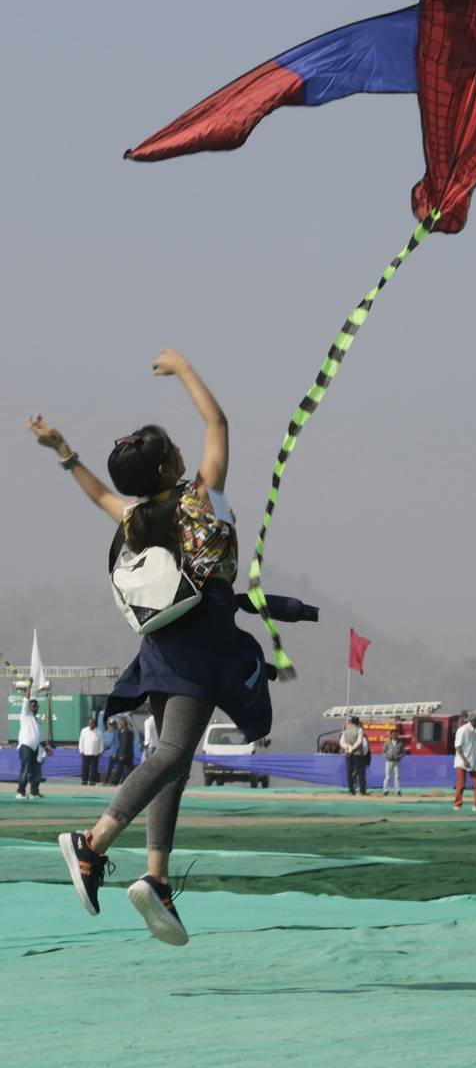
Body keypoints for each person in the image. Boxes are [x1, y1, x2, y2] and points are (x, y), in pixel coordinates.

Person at [27, 349, 279, 947]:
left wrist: (66, 453)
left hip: (161, 642)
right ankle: (92, 844)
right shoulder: (200, 497)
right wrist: (186, 368)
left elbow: (96, 497)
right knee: (169, 756)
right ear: (169, 466)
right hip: (202, 644)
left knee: (175, 761)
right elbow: (219, 424)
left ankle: (157, 879)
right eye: (174, 451)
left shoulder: (137, 516)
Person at [16, 685, 45, 801]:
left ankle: (34, 792)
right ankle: (20, 792)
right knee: (26, 770)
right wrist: (28, 686)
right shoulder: (25, 714)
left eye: (36, 705)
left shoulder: (36, 720)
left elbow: (40, 736)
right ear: (29, 707)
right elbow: (26, 699)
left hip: (36, 748)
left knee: (36, 771)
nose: (35, 707)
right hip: (26, 746)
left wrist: (45, 747)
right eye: (33, 705)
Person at [453, 710, 476, 811]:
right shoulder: (462, 730)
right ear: (474, 719)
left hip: (474, 760)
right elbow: (458, 747)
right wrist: (465, 760)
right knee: (461, 784)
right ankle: (457, 805)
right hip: (462, 761)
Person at [340, 716, 368, 796]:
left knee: (349, 772)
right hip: (358, 753)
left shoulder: (345, 731)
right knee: (360, 772)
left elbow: (342, 742)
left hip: (348, 753)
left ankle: (351, 790)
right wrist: (352, 748)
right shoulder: (359, 730)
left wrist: (348, 748)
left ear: (351, 722)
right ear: (358, 722)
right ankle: (362, 791)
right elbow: (359, 742)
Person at [78, 718, 104, 786]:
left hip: (95, 753)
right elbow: (81, 741)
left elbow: (101, 742)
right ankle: (84, 780)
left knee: (94, 768)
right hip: (86, 752)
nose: (91, 724)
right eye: (90, 723)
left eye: (92, 723)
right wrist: (81, 750)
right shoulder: (84, 730)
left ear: (94, 724)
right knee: (85, 767)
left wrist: (101, 751)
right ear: (88, 723)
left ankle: (92, 781)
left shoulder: (98, 731)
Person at [382, 725, 405, 796]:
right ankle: (385, 790)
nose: (394, 735)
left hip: (396, 761)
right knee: (387, 776)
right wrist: (386, 756)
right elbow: (383, 751)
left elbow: (403, 752)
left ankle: (397, 791)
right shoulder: (387, 742)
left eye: (396, 734)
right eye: (393, 734)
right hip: (388, 761)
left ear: (397, 735)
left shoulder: (400, 743)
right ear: (391, 735)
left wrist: (400, 757)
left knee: (397, 776)